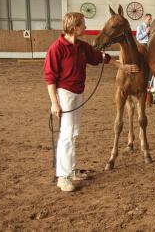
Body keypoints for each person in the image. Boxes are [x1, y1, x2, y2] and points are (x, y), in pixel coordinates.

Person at [44, 12, 139, 192]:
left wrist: (122, 66)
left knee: (73, 133)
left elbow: (100, 57)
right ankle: (63, 177)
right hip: (65, 93)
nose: (86, 28)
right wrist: (54, 103)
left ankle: (70, 171)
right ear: (74, 28)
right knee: (66, 134)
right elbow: (50, 78)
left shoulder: (81, 46)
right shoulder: (57, 48)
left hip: (78, 93)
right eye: (83, 25)